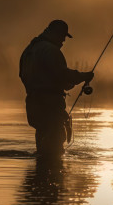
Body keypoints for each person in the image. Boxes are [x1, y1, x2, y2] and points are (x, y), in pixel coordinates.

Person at [19, 20, 94, 156]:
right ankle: (52, 174)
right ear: (55, 34)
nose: (63, 41)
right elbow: (62, 74)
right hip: (50, 105)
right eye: (62, 37)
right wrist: (84, 76)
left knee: (42, 142)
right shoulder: (51, 51)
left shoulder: (30, 49)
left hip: (32, 103)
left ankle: (41, 173)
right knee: (54, 147)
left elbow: (25, 75)